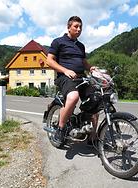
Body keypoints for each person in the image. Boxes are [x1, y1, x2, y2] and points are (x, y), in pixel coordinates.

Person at [47, 16, 97, 145]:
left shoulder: (81, 46)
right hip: (65, 77)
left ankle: (92, 137)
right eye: (76, 26)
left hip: (81, 77)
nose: (79, 29)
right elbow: (49, 60)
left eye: (80, 27)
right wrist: (65, 70)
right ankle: (61, 129)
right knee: (73, 97)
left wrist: (90, 67)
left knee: (96, 100)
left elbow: (83, 61)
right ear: (68, 27)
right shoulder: (58, 42)